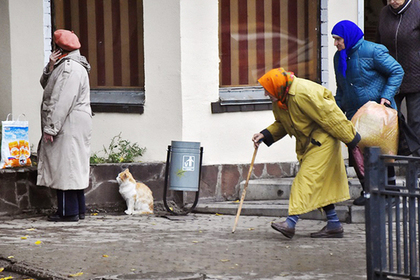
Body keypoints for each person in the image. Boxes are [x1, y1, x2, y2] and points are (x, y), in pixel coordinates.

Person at [253, 67, 361, 239]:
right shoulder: (281, 99)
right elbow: (282, 123)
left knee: (305, 179)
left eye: (267, 91)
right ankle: (334, 224)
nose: (266, 94)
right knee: (321, 183)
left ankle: (290, 223)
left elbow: (329, 115)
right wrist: (264, 134)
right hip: (310, 143)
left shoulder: (303, 93)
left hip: (323, 140)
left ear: (276, 86)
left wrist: (351, 138)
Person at [331, 20, 404, 206]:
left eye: (338, 39)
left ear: (348, 37)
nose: (335, 44)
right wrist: (338, 110)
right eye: (334, 39)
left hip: (376, 114)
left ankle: (391, 193)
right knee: (356, 152)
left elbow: (397, 71)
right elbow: (341, 87)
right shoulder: (338, 57)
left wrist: (386, 96)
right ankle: (368, 190)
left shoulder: (373, 51)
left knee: (382, 152)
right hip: (354, 113)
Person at [37, 29, 92, 222]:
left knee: (64, 167)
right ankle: (78, 210)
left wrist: (51, 127)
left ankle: (67, 213)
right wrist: (50, 67)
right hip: (74, 122)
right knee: (73, 166)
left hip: (68, 123)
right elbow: (48, 85)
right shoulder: (72, 65)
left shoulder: (69, 68)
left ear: (59, 49)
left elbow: (61, 100)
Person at [376, 0, 420, 156]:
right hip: (392, 77)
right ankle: (395, 156)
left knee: (416, 120)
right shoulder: (384, 13)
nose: (392, 1)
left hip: (416, 76)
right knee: (391, 118)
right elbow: (378, 43)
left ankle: (417, 161)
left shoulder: (418, 8)